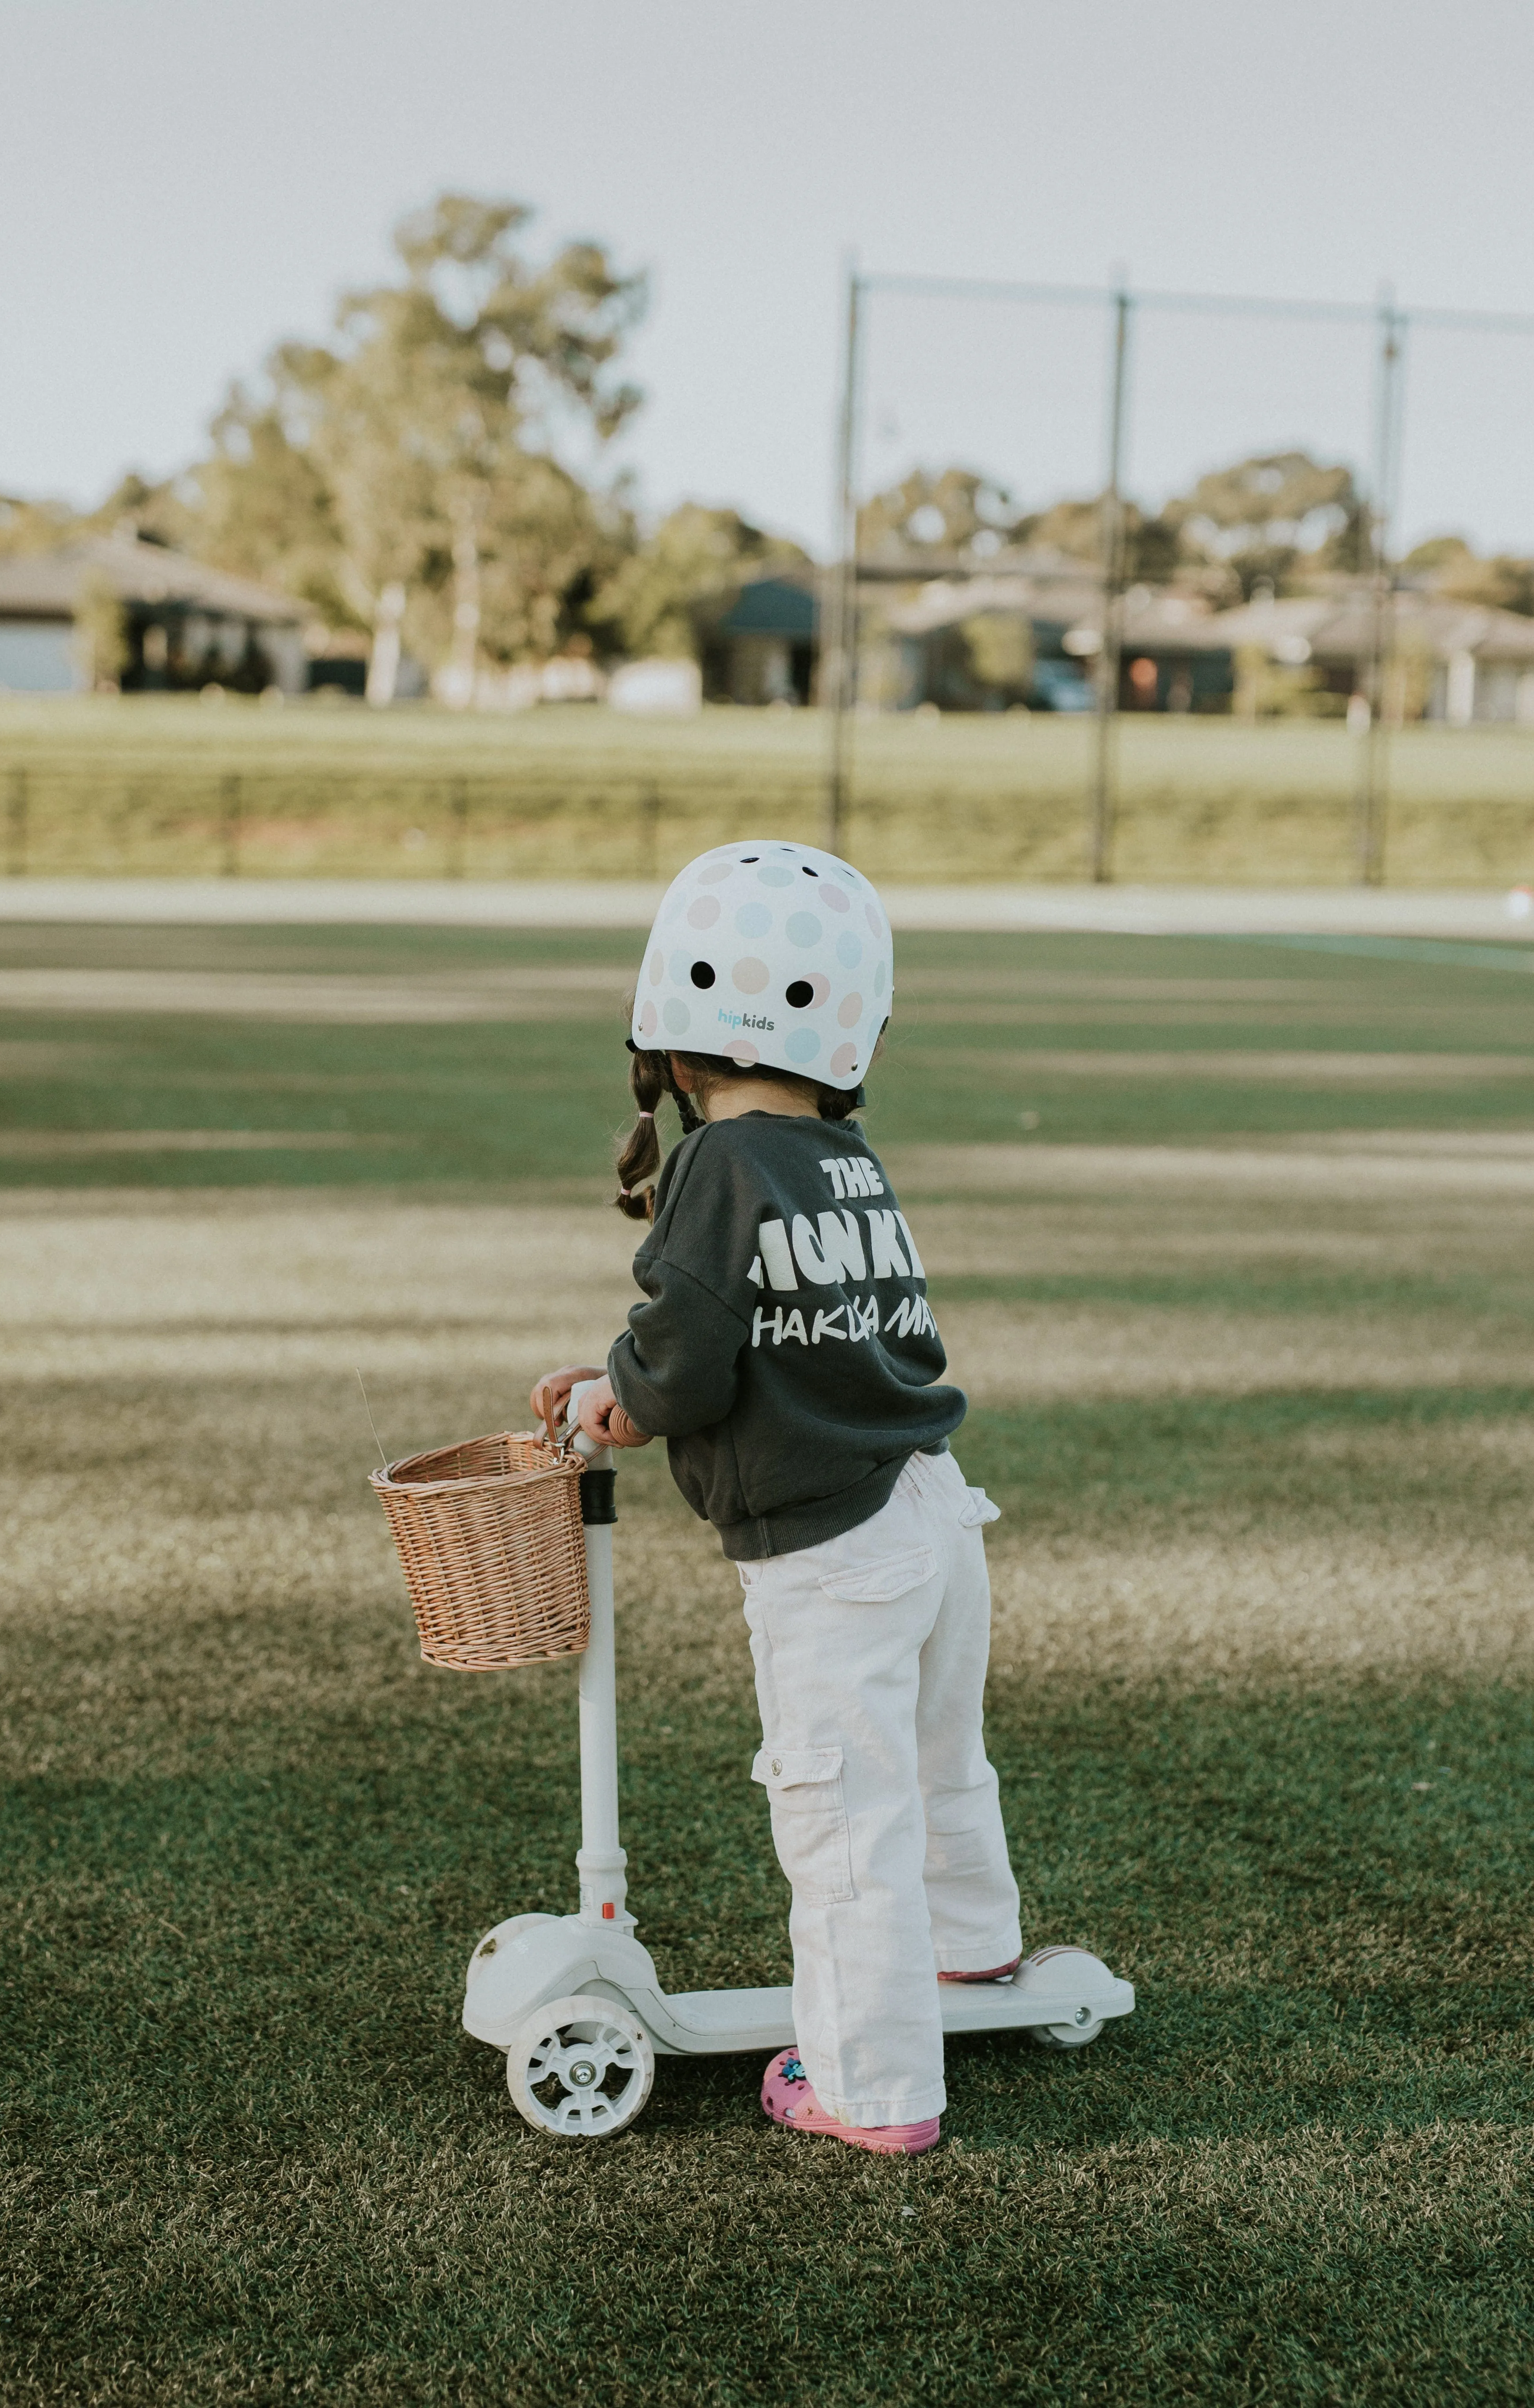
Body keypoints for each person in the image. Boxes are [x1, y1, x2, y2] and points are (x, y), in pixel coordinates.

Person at [531, 839, 1020, 2157]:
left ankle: (872, 2091)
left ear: (675, 1039)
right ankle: (973, 1950)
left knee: (842, 1820)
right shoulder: (841, 1159)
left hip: (832, 1555)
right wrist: (629, 1374)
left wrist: (616, 1402)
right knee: (937, 1760)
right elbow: (783, 1326)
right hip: (928, 1504)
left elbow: (688, 1353)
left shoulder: (717, 1165)